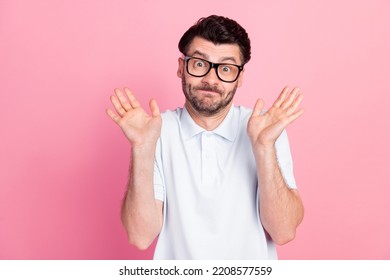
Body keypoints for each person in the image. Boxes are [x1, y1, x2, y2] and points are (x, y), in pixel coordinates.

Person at [106, 15, 304, 259]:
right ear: (181, 68)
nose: (211, 80)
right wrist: (142, 148)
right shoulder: (156, 130)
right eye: (200, 64)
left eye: (226, 68)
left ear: (240, 78)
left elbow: (283, 231)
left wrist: (264, 148)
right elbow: (140, 236)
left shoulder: (264, 129)